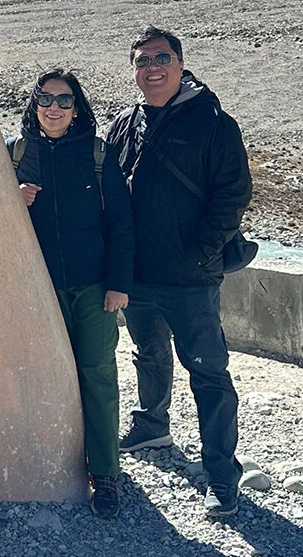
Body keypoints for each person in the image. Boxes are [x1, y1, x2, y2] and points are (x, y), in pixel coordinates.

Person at [108, 26, 252, 519]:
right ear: (134, 71)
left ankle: (221, 475)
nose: (153, 68)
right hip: (140, 275)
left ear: (180, 63)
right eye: (143, 60)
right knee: (148, 353)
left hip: (191, 277)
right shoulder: (126, 123)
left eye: (162, 58)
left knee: (208, 372)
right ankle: (153, 424)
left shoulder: (213, 121)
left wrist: (204, 253)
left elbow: (232, 193)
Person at [7, 69, 134, 518]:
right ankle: (49, 463)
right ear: (34, 104)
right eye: (45, 99)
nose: (54, 108)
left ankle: (105, 473)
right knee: (43, 374)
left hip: (94, 287)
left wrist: (119, 283)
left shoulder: (98, 154)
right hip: (38, 287)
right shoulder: (16, 153)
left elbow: (120, 220)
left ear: (76, 107)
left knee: (96, 375)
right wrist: (10, 196)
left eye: (64, 100)